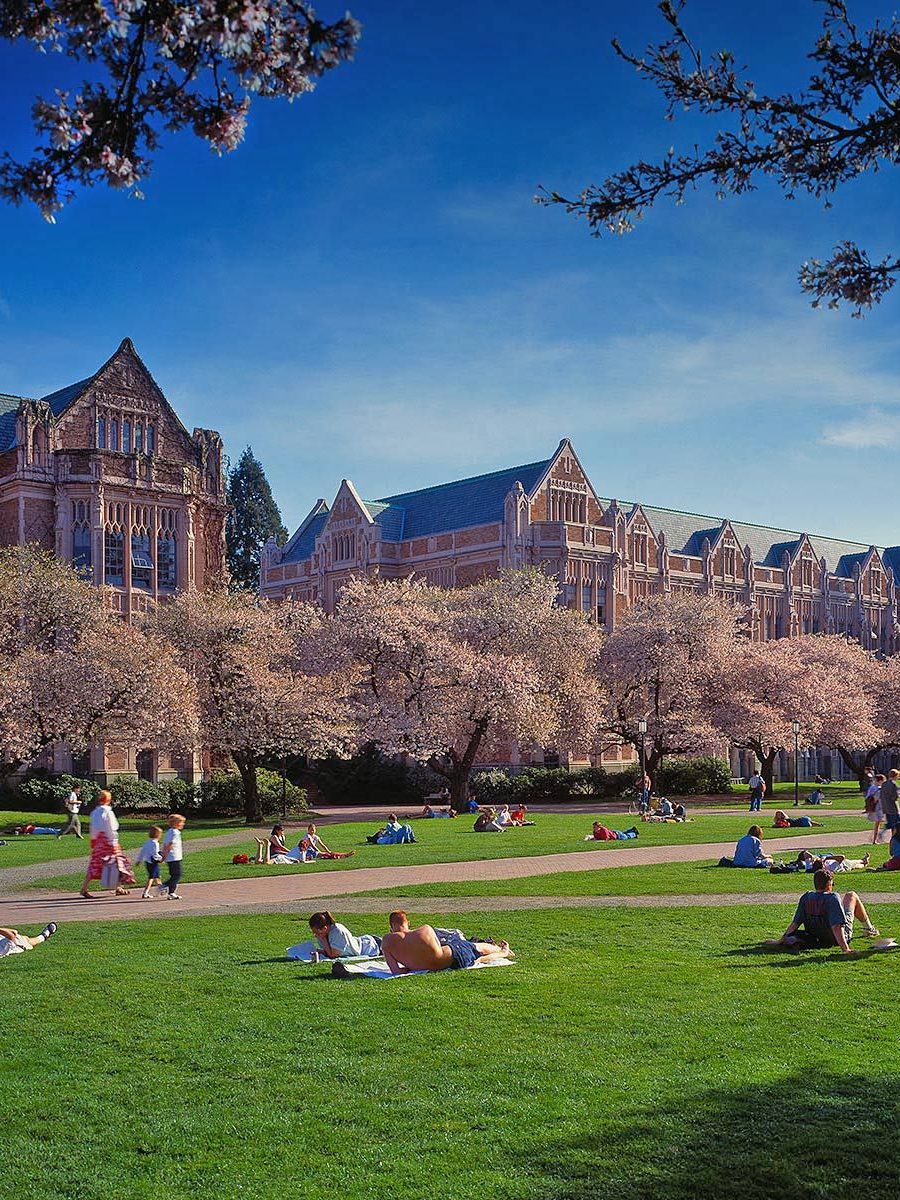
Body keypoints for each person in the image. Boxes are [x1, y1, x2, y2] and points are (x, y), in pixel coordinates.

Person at [774, 869, 879, 952]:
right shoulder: (832, 897)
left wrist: (780, 941)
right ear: (828, 884)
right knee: (851, 895)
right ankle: (869, 929)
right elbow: (837, 927)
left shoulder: (806, 897)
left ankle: (869, 929)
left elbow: (795, 924)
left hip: (816, 937)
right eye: (832, 884)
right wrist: (846, 949)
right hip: (836, 938)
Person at [380, 910, 514, 975]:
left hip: (448, 961)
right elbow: (437, 948)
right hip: (454, 956)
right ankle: (502, 951)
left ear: (391, 927)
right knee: (476, 948)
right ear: (408, 922)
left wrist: (413, 966)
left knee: (477, 956)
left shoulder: (387, 942)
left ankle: (500, 951)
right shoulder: (424, 930)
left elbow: (396, 971)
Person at [79, 790, 135, 898]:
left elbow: (93, 828)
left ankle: (84, 888)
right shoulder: (108, 812)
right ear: (108, 800)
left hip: (98, 841)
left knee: (95, 864)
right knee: (118, 862)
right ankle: (118, 887)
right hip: (109, 841)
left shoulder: (95, 812)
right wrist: (113, 841)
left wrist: (93, 840)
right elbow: (112, 827)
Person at [308, 911, 382, 959]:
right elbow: (329, 951)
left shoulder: (338, 932)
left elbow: (333, 955)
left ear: (325, 928)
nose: (315, 935)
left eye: (317, 932)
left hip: (373, 946)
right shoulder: (323, 934)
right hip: (367, 943)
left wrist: (324, 939)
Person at [160, 813, 186, 900]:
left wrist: (164, 855)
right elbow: (169, 845)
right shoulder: (175, 833)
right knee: (177, 875)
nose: (183, 824)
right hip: (174, 857)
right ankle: (164, 886)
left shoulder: (169, 832)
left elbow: (165, 845)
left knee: (174, 875)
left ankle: (171, 892)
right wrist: (164, 856)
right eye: (181, 822)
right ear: (176, 823)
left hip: (172, 857)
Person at [135, 824, 164, 899]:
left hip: (148, 862)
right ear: (158, 835)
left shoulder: (147, 842)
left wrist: (139, 860)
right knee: (151, 877)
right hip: (153, 862)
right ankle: (145, 892)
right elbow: (155, 854)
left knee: (157, 876)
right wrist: (161, 859)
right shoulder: (155, 843)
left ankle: (162, 890)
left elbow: (142, 852)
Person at [866, 773, 887, 844]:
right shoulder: (877, 788)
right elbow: (876, 799)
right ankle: (875, 839)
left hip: (876, 808)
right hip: (877, 808)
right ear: (880, 781)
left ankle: (875, 838)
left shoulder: (872, 787)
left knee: (878, 824)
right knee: (878, 824)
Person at [880, 768, 900, 836]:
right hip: (893, 808)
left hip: (886, 807)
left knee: (891, 823)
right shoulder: (893, 784)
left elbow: (881, 796)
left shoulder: (884, 784)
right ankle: (893, 838)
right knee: (896, 824)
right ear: (896, 776)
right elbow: (895, 797)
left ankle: (884, 833)